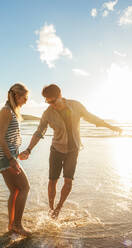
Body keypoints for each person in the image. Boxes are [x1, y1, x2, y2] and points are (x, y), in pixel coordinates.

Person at [19, 84, 121, 218]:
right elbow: (39, 132)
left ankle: (58, 209)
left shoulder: (76, 106)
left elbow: (92, 118)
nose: (51, 104)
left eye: (53, 101)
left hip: (73, 150)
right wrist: (28, 150)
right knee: (52, 181)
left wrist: (110, 126)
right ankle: (51, 208)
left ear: (60, 95)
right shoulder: (48, 113)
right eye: (48, 101)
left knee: (68, 181)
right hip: (56, 149)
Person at [0, 83, 31, 236]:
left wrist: (17, 155)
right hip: (4, 158)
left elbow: (9, 138)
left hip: (8, 156)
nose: (26, 101)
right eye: (25, 97)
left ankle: (12, 225)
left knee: (15, 191)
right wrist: (11, 159)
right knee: (24, 188)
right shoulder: (5, 111)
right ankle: (17, 225)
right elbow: (1, 139)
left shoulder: (11, 112)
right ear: (16, 95)